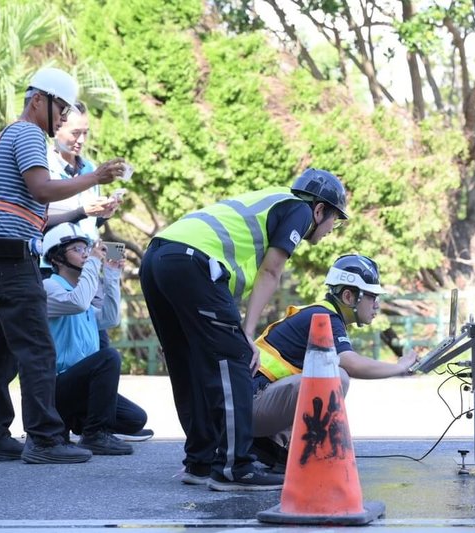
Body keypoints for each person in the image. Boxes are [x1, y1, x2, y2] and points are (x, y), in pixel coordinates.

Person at [139, 168, 348, 491]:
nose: (332, 228)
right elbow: (271, 271)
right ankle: (236, 466)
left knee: (188, 362)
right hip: (193, 261)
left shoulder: (269, 199)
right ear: (319, 209)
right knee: (235, 357)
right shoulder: (299, 209)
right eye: (334, 218)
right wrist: (246, 335)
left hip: (158, 256)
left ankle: (201, 461)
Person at [0, 67, 127, 464]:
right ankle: (44, 438)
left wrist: (81, 209)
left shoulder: (4, 136)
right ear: (39, 99)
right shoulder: (27, 134)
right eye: (60, 109)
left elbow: (32, 209)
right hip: (13, 259)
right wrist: (94, 176)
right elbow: (42, 189)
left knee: (0, 351)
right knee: (38, 349)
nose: (63, 118)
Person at [250, 254, 418, 470]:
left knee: (325, 375)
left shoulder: (322, 313)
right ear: (349, 296)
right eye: (372, 296)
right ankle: (302, 451)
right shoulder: (325, 316)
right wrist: (399, 367)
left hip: (252, 405)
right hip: (252, 406)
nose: (376, 305)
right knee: (337, 377)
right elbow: (350, 363)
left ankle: (270, 446)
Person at [41, 223, 150, 454]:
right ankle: (94, 434)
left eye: (86, 248)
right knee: (108, 357)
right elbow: (77, 302)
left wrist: (111, 273)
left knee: (135, 419)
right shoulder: (50, 287)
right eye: (77, 249)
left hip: (80, 386)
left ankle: (78, 423)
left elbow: (110, 319)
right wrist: (92, 261)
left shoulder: (84, 295)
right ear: (57, 258)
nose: (85, 254)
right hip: (56, 386)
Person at [45, 100, 120, 239]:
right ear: (56, 129)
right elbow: (36, 224)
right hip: (51, 258)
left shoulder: (90, 168)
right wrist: (82, 212)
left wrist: (104, 213)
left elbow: (88, 227)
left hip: (87, 258)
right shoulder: (42, 167)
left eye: (85, 133)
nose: (81, 140)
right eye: (75, 133)